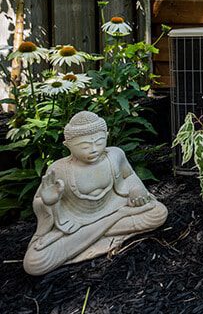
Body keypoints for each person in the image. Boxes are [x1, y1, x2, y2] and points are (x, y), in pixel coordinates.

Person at [23, 110, 167, 275]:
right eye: (84, 146)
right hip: (77, 222)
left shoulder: (115, 155)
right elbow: (40, 202)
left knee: (158, 213)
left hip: (112, 207)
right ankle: (110, 225)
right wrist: (49, 202)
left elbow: (129, 176)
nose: (93, 149)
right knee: (35, 262)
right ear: (68, 145)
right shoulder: (59, 169)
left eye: (99, 142)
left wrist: (137, 189)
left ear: (106, 136)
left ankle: (90, 238)